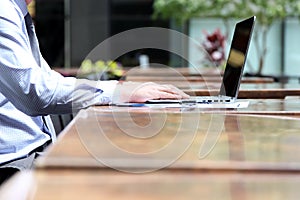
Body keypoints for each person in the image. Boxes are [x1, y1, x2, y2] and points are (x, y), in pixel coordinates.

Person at [0, 0, 189, 184]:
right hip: (15, 167)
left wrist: (121, 90)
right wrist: (119, 91)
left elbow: (46, 80)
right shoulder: (4, 10)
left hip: (31, 157)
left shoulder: (15, 9)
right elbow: (36, 93)